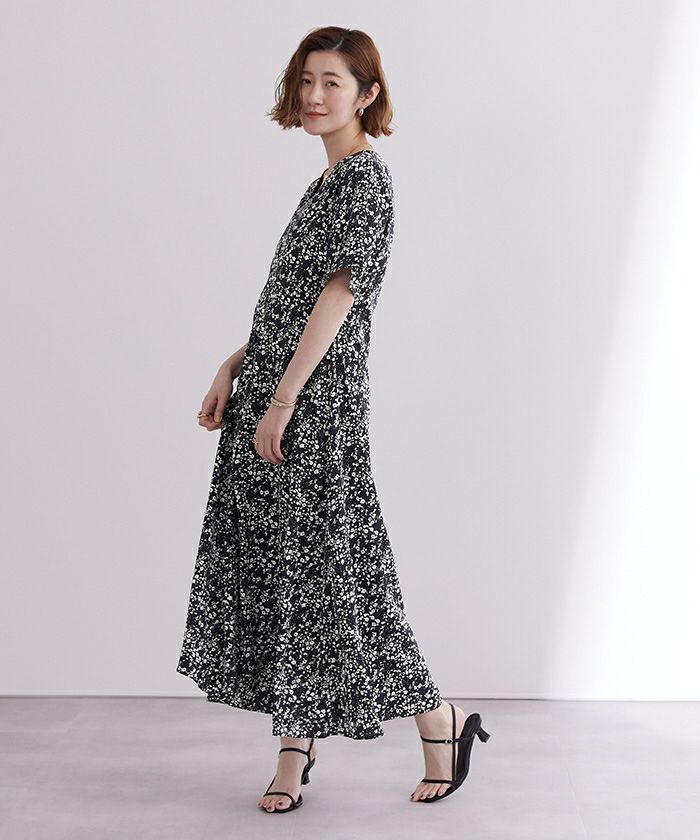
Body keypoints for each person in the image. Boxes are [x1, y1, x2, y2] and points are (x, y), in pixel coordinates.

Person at [176, 26, 490, 813]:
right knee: (292, 570)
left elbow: (341, 296)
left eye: (332, 83)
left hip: (313, 404)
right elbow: (290, 303)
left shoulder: (364, 181)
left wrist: (283, 399)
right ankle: (295, 744)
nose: (314, 96)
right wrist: (235, 365)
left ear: (367, 94)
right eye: (306, 80)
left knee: (336, 571)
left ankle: (438, 718)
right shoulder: (327, 181)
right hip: (275, 388)